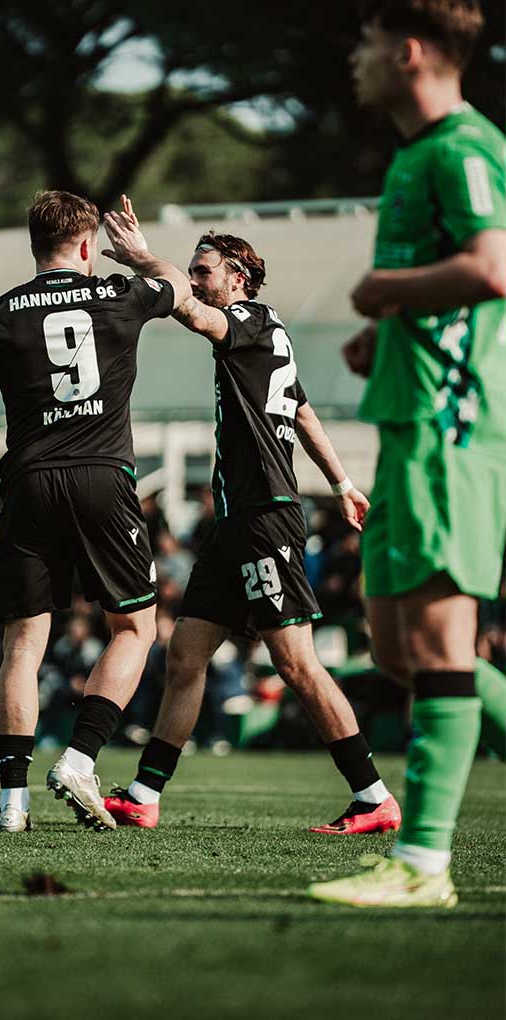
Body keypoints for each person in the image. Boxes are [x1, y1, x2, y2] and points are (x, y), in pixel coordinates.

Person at [101, 201, 400, 834]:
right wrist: (343, 482)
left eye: (203, 269)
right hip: (236, 523)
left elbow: (188, 309)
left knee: (295, 663)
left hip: (265, 518)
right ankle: (144, 795)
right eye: (192, 269)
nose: (195, 277)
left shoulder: (249, 320)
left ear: (236, 276)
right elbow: (302, 411)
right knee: (184, 654)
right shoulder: (266, 331)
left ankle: (374, 797)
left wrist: (142, 258)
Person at [308, 0, 506, 910]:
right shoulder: (411, 157)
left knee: (437, 645)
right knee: (396, 647)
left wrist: (384, 289)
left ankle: (422, 866)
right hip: (405, 421)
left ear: (411, 51)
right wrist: (381, 331)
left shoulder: (463, 148)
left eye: (369, 41)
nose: (357, 57)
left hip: (448, 428)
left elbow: (494, 265)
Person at [0, 190, 190, 833]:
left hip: (27, 481)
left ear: (33, 247)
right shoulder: (118, 293)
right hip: (103, 477)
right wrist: (139, 253)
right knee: (135, 628)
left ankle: (11, 803)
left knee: (23, 642)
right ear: (87, 246)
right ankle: (80, 758)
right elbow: (175, 284)